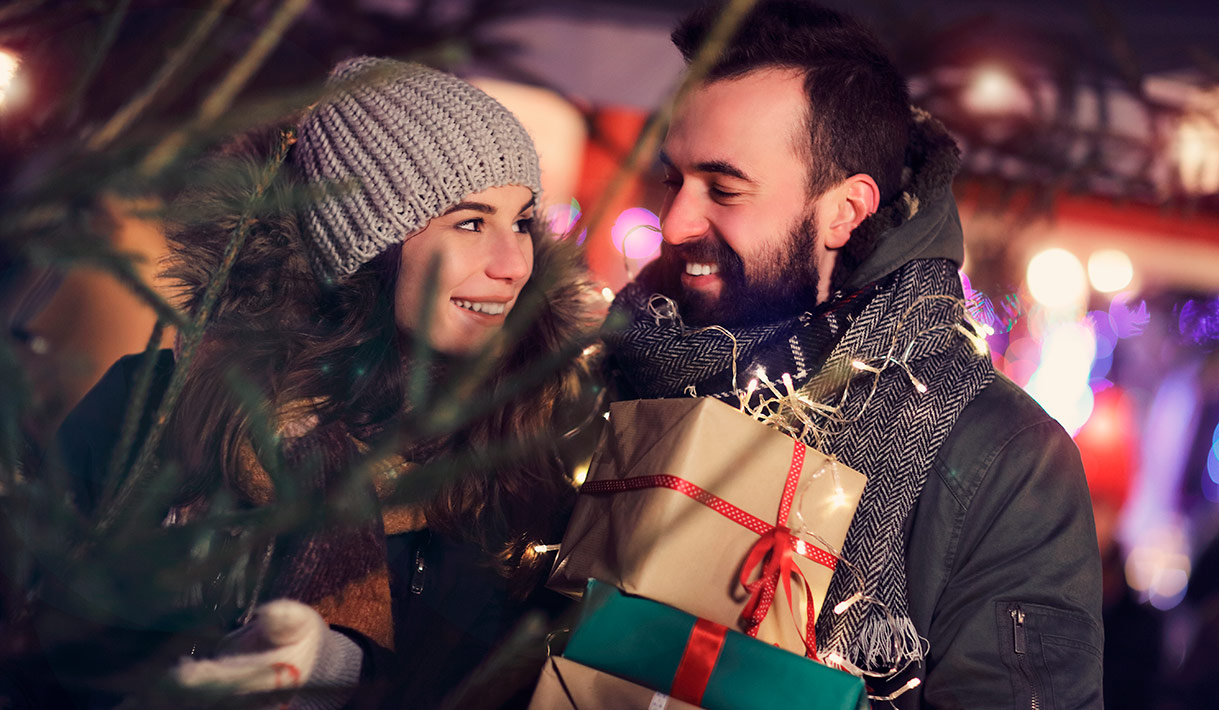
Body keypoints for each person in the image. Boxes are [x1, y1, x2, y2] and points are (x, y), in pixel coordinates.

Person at [50, 57, 598, 709]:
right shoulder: (153, 408)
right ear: (365, 247)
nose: (513, 264)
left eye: (523, 222)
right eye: (471, 222)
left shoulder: (504, 458)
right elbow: (32, 637)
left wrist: (331, 666)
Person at [603, 2, 1103, 707]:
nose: (676, 222)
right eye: (672, 181)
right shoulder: (614, 365)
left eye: (723, 189)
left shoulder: (1004, 457)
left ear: (844, 211)